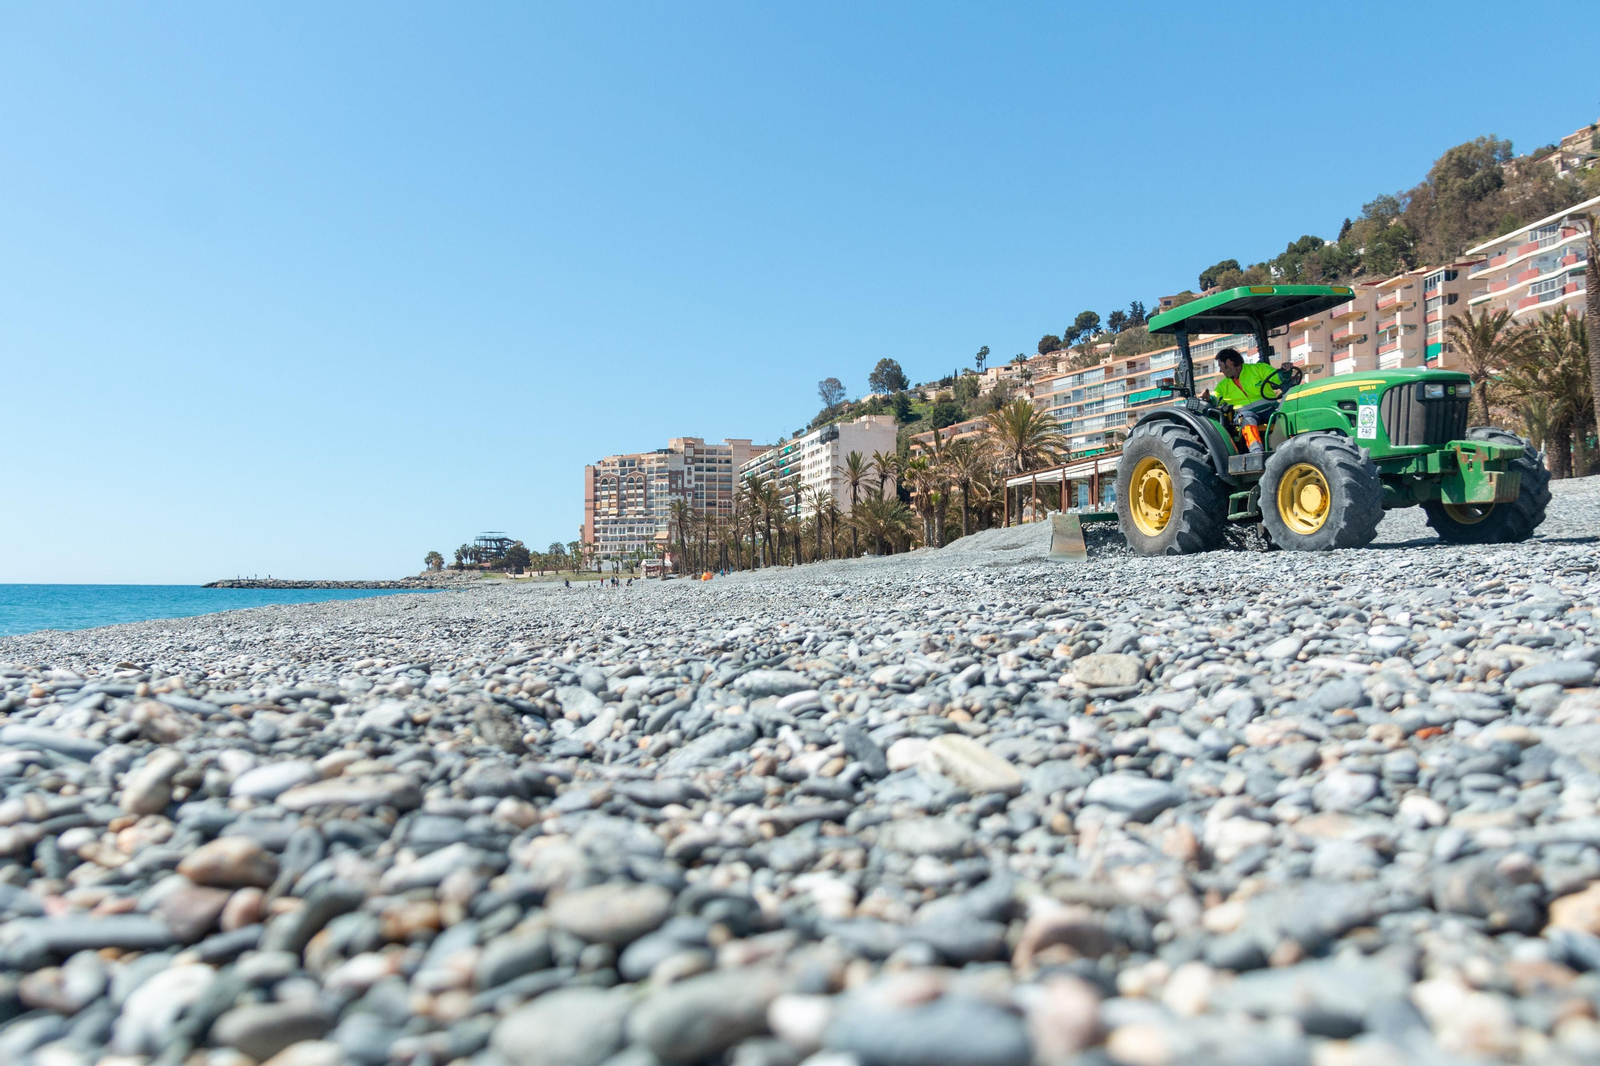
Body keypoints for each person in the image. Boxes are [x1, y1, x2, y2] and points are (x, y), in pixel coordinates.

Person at [1210, 348, 1277, 453]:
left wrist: (1285, 373)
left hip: (1270, 409)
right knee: (1246, 419)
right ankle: (1256, 451)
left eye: (1220, 366)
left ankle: (1295, 442)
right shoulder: (1223, 385)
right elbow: (1215, 397)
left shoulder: (1259, 369)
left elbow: (1278, 377)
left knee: (1284, 416)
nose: (1220, 371)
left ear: (1229, 362)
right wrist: (1208, 398)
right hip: (1248, 414)